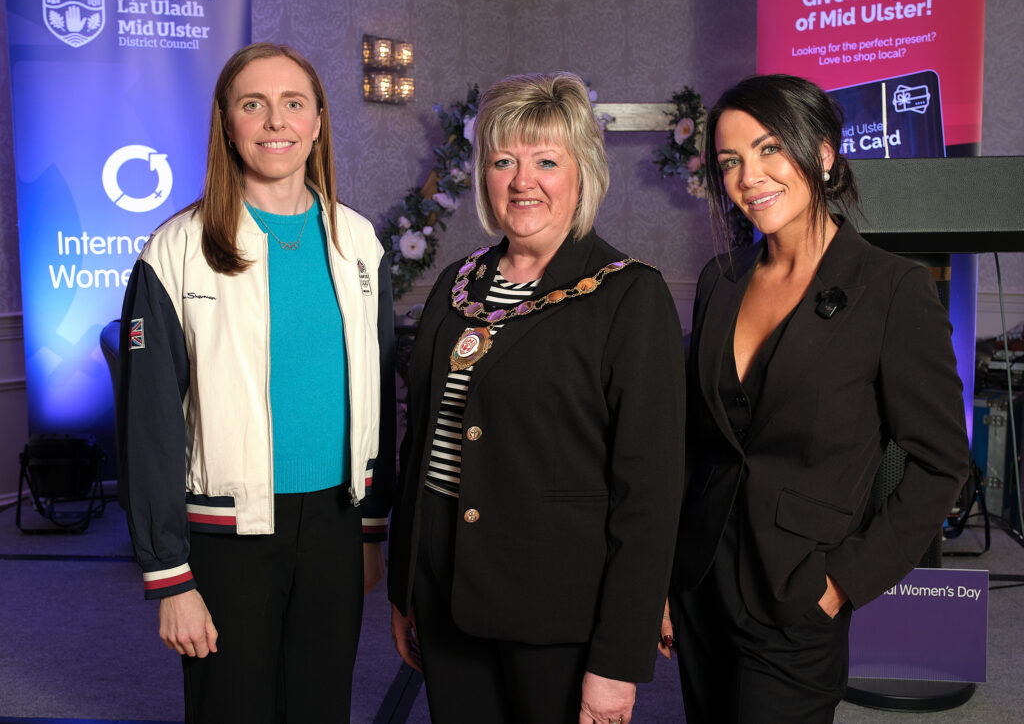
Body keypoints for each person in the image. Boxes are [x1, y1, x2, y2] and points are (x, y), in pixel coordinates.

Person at [667, 73, 970, 722]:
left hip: (797, 591)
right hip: (699, 581)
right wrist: (662, 579)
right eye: (731, 161)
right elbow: (698, 442)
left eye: (770, 148)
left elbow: (940, 463)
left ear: (824, 153)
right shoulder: (721, 280)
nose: (750, 177)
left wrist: (842, 585)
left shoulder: (892, 291)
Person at [387, 72, 686, 724]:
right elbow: (423, 446)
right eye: (503, 161)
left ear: (583, 173)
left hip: (559, 616)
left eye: (546, 161)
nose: (524, 181)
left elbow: (651, 496)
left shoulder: (627, 298)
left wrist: (617, 657)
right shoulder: (455, 286)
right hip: (443, 598)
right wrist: (404, 586)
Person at [117, 42, 395, 723]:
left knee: (321, 709)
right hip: (224, 537)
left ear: (319, 122)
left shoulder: (360, 242)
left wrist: (369, 531)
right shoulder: (175, 250)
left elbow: (381, 398)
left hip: (334, 526)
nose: (276, 121)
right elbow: (149, 425)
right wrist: (168, 576)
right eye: (253, 104)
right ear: (227, 123)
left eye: (293, 103)